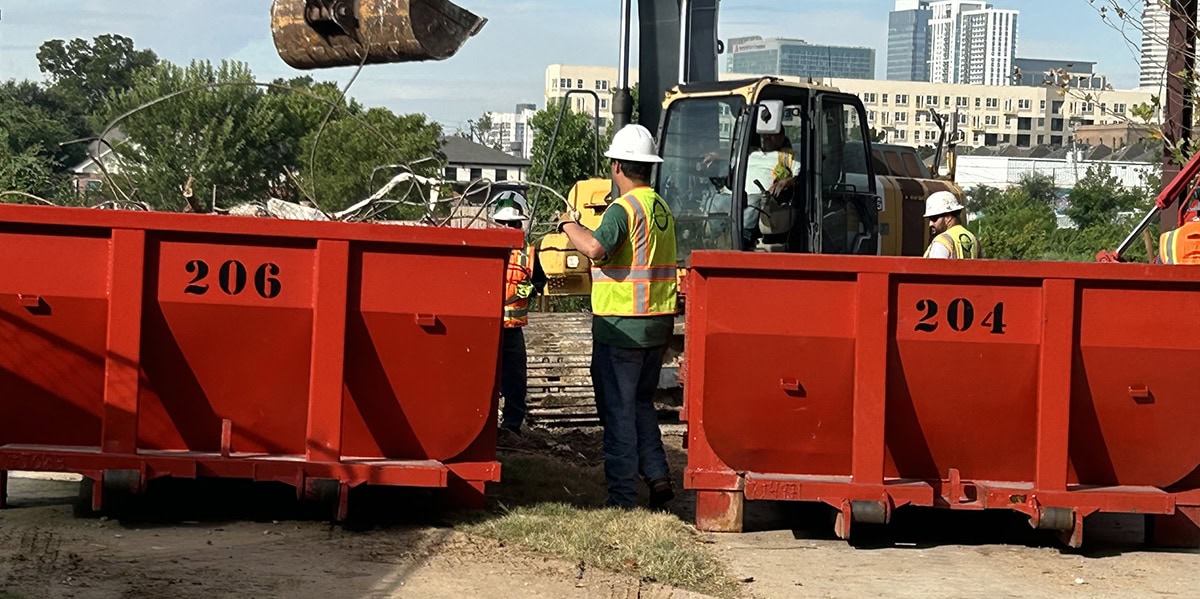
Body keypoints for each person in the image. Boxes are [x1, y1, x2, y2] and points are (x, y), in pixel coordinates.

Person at [558, 124, 678, 510]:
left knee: (618, 412)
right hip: (656, 325)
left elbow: (595, 247)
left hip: (621, 328)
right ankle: (658, 476)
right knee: (641, 405)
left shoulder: (622, 209)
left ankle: (623, 498)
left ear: (616, 167)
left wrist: (567, 225)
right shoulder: (660, 208)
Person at [492, 192, 546, 437]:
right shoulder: (486, 248)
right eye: (503, 223)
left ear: (520, 224)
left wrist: (520, 291)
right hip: (487, 329)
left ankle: (512, 426)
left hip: (512, 329)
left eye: (512, 224)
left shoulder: (529, 253)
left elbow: (538, 282)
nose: (507, 228)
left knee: (515, 381)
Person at [742, 131, 801, 248]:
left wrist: (786, 181)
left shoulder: (787, 155)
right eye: (764, 134)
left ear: (781, 137)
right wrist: (715, 155)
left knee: (753, 201)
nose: (766, 137)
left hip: (764, 198)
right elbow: (727, 155)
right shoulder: (749, 152)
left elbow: (798, 175)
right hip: (739, 195)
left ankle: (744, 237)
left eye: (771, 134)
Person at [923, 190, 979, 259]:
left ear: (948, 217)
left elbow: (936, 268)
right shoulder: (973, 239)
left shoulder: (942, 241)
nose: (930, 224)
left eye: (934, 218)